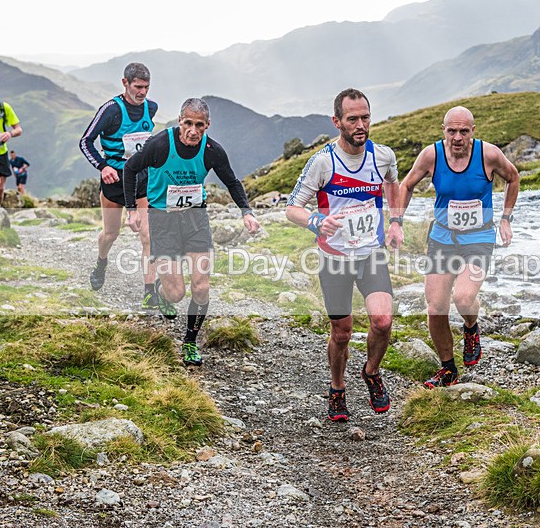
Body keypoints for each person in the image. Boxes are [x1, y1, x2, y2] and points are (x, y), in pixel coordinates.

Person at [286, 88, 403, 422]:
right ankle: (337, 389)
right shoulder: (322, 162)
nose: (361, 125)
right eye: (353, 119)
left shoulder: (383, 156)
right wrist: (316, 221)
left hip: (371, 254)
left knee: (382, 321)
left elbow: (393, 184)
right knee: (342, 333)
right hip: (334, 257)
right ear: (337, 121)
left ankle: (371, 371)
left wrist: (395, 222)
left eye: (365, 117)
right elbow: (292, 208)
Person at [123, 97, 260, 366]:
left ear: (207, 125)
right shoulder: (161, 144)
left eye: (199, 125)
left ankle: (189, 342)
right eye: (188, 123)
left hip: (196, 218)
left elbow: (231, 181)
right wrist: (131, 210)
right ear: (179, 121)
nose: (193, 130)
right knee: (176, 293)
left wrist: (247, 211)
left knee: (201, 286)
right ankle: (161, 289)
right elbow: (130, 168)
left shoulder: (211, 150)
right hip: (162, 220)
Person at [398, 106, 520, 388]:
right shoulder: (431, 155)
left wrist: (505, 218)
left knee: (463, 298)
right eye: (452, 130)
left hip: (478, 238)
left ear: (473, 132)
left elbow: (513, 177)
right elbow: (406, 185)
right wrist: (396, 220)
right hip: (442, 238)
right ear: (443, 130)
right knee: (435, 307)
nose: (457, 137)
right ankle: (448, 369)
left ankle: (470, 327)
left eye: (463, 131)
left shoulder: (488, 154)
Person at [79, 62, 158, 309]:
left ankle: (149, 291)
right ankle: (101, 262)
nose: (142, 92)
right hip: (114, 181)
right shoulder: (111, 110)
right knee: (111, 234)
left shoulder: (151, 109)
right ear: (125, 83)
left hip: (141, 180)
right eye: (137, 86)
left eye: (146, 87)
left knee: (148, 236)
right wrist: (103, 167)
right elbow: (85, 141)